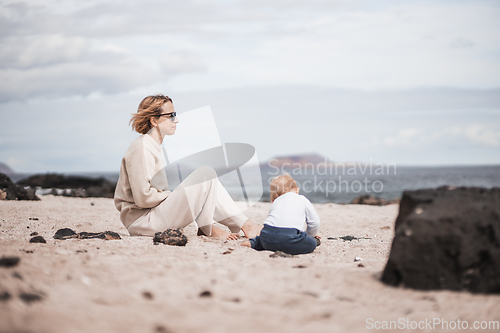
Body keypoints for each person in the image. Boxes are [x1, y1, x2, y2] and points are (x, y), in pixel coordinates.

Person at [114, 94, 262, 240]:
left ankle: (218, 227)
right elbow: (143, 199)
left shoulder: (152, 146)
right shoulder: (142, 147)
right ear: (154, 120)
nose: (176, 120)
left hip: (151, 216)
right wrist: (173, 195)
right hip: (143, 222)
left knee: (208, 180)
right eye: (170, 115)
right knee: (205, 173)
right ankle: (232, 226)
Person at [242, 174, 320, 255]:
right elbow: (314, 222)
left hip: (267, 237)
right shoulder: (302, 199)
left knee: (264, 239)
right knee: (311, 243)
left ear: (273, 198)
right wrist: (310, 235)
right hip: (289, 236)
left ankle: (255, 243)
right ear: (296, 190)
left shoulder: (276, 201)